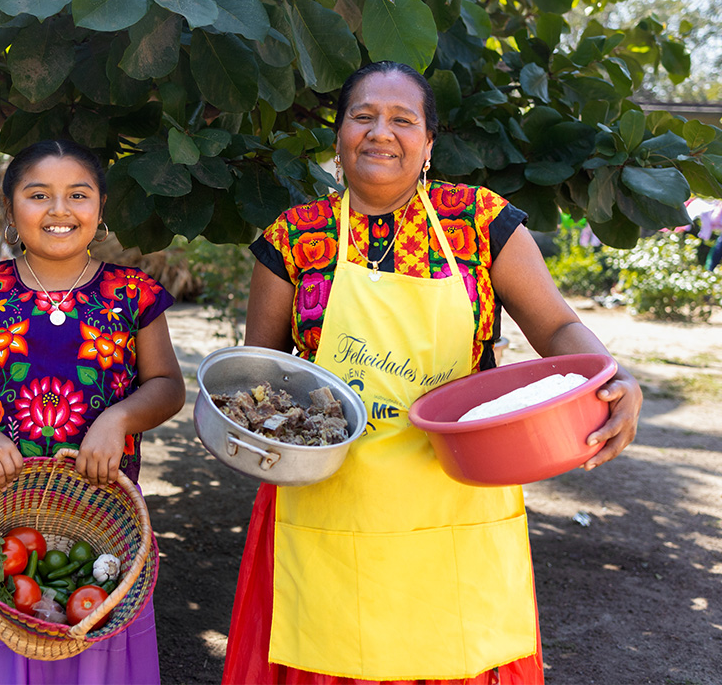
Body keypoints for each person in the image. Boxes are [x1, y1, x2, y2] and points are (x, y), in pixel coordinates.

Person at [222, 61, 643, 685]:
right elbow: (261, 382)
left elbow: (555, 328)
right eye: (362, 116)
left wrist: (610, 374)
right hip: (331, 500)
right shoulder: (294, 237)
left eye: (402, 119)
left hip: (459, 488)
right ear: (338, 135)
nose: (380, 132)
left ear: (429, 143)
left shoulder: (478, 222)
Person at [0, 139, 186, 685]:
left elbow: (166, 386)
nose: (59, 210)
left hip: (101, 511)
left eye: (78, 195)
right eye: (38, 194)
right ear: (9, 206)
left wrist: (118, 420)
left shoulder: (133, 294)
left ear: (101, 206)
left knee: (86, 630)